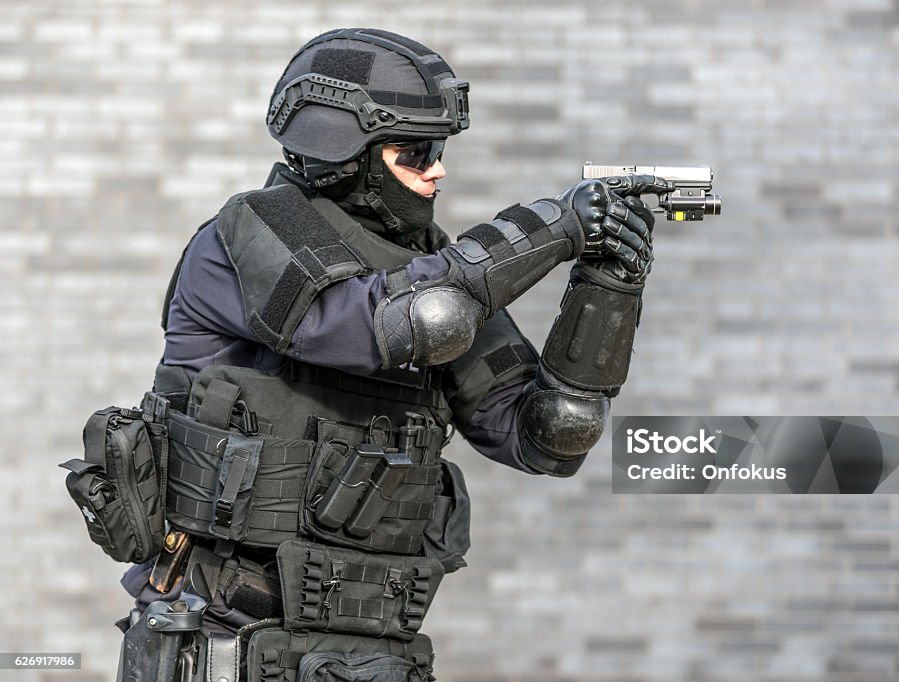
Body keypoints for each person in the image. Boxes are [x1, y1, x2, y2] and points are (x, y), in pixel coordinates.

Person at [112, 27, 662, 681]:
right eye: (416, 151)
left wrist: (609, 281)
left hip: (370, 656)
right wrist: (554, 226)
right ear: (346, 154)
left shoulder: (431, 269)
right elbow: (389, 322)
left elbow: (549, 432)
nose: (438, 170)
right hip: (225, 640)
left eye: (439, 150)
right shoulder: (248, 235)